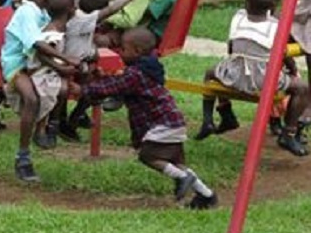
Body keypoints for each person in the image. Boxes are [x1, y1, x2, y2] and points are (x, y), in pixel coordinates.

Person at [74, 27, 218, 210]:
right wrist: (105, 77)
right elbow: (120, 81)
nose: (120, 52)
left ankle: (182, 178)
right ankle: (207, 195)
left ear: (137, 51)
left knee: (148, 156)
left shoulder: (135, 74)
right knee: (176, 162)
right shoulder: (147, 69)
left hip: (161, 124)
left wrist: (83, 90)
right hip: (173, 121)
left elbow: (114, 87)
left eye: (123, 49)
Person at [196, 0, 310, 157]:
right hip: (264, 81)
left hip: (234, 76)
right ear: (273, 6)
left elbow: (231, 49)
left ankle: (214, 118)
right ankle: (288, 133)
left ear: (246, 3)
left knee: (210, 73)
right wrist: (293, 70)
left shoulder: (238, 18)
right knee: (302, 88)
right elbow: (284, 55)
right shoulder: (277, 27)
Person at [1, 0, 80, 183]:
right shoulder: (27, 12)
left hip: (35, 62)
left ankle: (45, 128)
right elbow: (36, 44)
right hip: (17, 65)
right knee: (31, 98)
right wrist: (64, 59)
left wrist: (61, 66)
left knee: (61, 89)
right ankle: (23, 157)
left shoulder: (42, 12)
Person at [59, 0, 132, 140]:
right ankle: (73, 119)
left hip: (74, 60)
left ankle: (68, 119)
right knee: (94, 89)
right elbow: (110, 10)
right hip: (76, 63)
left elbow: (107, 8)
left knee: (85, 88)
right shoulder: (85, 20)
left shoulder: (74, 16)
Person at [28, 0, 79, 150]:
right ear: (70, 10)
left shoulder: (61, 27)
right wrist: (61, 68)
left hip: (51, 69)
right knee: (59, 89)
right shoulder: (51, 33)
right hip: (40, 71)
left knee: (63, 88)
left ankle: (53, 123)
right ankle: (41, 128)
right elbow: (42, 55)